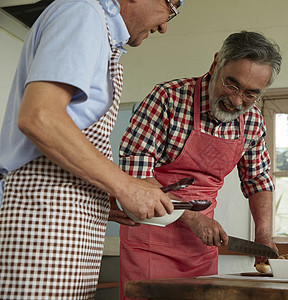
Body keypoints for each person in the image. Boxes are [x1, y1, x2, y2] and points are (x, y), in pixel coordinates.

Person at [0, 0, 184, 298]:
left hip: (66, 224)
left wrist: (98, 197)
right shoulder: (83, 13)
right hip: (45, 222)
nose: (164, 25)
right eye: (172, 6)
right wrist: (127, 186)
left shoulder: (99, 31)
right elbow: (40, 117)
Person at [118, 30, 282, 295]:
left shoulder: (252, 121)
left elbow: (258, 180)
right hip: (150, 241)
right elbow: (134, 174)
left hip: (201, 247)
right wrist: (192, 218)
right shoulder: (168, 99)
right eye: (232, 85)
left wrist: (264, 234)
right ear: (216, 63)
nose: (237, 101)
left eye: (251, 94)